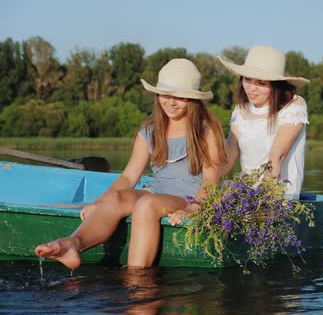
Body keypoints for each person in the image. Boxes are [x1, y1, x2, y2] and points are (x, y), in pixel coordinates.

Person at [34, 58, 227, 269]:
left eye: (180, 97)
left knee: (146, 204)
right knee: (117, 198)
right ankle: (74, 243)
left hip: (189, 199)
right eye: (165, 95)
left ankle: (136, 280)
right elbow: (128, 177)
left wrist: (192, 209)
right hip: (157, 193)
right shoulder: (150, 132)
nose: (171, 102)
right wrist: (100, 202)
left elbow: (210, 180)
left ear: (193, 99)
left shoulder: (206, 132)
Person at [217, 45, 310, 199]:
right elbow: (229, 157)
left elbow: (275, 158)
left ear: (275, 85)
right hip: (244, 194)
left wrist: (260, 200)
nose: (251, 88)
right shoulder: (241, 110)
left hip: (276, 198)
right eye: (247, 79)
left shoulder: (294, 106)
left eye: (261, 83)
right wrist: (204, 184)